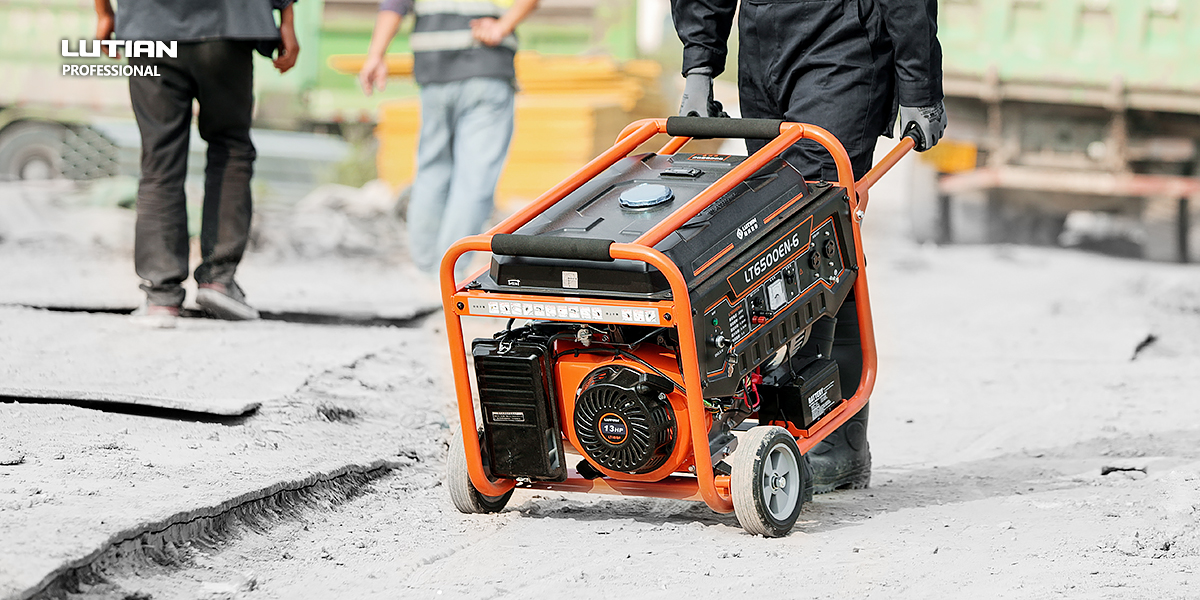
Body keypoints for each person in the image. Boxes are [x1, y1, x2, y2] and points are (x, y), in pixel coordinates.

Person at [671, 0, 947, 492]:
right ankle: (782, 421)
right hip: (762, 47)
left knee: (813, 231)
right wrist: (699, 65)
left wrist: (919, 88)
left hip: (842, 43)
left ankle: (831, 437)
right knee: (773, 231)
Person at [95, 0, 300, 326]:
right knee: (230, 147)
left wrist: (104, 13)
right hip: (227, 24)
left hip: (150, 25)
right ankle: (218, 280)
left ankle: (161, 296)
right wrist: (286, 17)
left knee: (159, 158)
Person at [359, 0, 538, 279]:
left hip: (434, 70)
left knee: (431, 171)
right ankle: (448, 274)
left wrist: (375, 55)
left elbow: (394, 5)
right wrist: (503, 25)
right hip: (485, 66)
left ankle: (426, 269)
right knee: (474, 179)